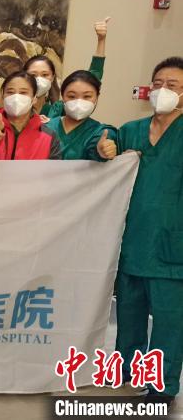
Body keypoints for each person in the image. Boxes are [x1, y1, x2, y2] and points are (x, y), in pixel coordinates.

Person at [116, 57, 183, 408]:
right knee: (128, 312)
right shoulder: (130, 130)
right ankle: (128, 370)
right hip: (131, 241)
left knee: (169, 320)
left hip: (172, 246)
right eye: (157, 83)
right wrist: (108, 150)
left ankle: (162, 385)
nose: (162, 90)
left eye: (172, 85)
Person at [24, 17, 110, 120]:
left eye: (45, 75)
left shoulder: (58, 110)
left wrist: (101, 40)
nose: (39, 79)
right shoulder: (16, 107)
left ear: (52, 77)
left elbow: (93, 79)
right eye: (33, 75)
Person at [0, 71, 61, 160]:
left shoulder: (49, 136)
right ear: (3, 96)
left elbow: (53, 167)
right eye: (10, 92)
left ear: (34, 99)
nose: (16, 98)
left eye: (23, 92)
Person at [45, 70, 117, 161]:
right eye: (71, 96)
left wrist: (102, 151)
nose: (79, 102)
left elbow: (97, 149)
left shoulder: (100, 132)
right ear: (62, 97)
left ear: (97, 97)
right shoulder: (47, 126)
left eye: (87, 96)